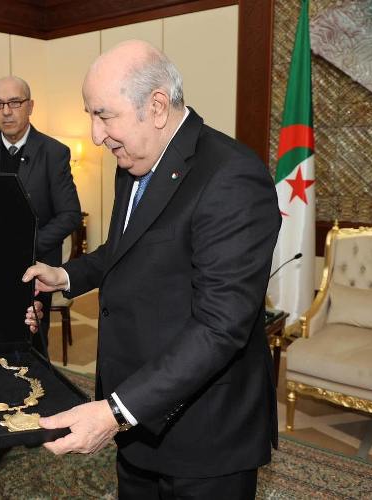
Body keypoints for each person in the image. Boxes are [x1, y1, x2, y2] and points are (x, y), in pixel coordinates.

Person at [22, 40, 281, 499]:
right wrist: (66, 276)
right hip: (137, 420)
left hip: (204, 435)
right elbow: (125, 248)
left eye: (104, 115)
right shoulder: (134, 161)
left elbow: (220, 327)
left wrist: (116, 412)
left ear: (157, 107)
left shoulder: (232, 176)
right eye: (91, 115)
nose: (96, 135)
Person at [0, 75, 81, 472]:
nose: (7, 111)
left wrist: (25, 247)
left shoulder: (54, 151)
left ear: (30, 106)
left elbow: (69, 214)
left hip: (34, 271)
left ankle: (37, 420)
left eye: (14, 102)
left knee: (30, 347)